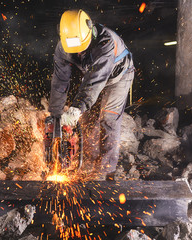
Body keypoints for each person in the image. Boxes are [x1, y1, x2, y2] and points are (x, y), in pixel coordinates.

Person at [48, 9, 135, 180]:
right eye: (75, 51)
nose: (78, 54)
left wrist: (76, 108)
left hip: (119, 76)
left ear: (89, 33)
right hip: (93, 76)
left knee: (108, 119)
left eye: (81, 49)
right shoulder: (63, 47)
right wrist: (55, 114)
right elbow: (60, 81)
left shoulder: (105, 43)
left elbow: (95, 81)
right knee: (86, 121)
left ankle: (106, 169)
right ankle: (88, 162)